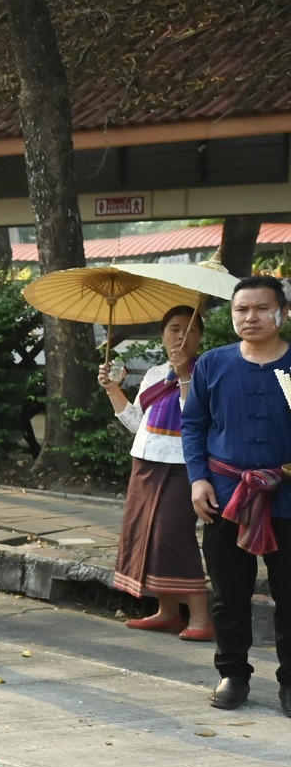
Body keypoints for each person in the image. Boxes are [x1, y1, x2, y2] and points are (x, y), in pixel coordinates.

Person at [182, 274, 291, 715]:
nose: (251, 317)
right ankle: (233, 673)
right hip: (226, 498)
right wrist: (198, 478)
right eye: (241, 309)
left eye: (262, 308)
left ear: (282, 313)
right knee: (229, 593)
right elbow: (194, 425)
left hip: (286, 499)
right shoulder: (212, 363)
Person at [101, 306, 210, 639]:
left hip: (182, 464)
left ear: (200, 337)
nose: (181, 336)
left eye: (190, 330)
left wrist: (184, 376)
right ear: (163, 334)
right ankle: (166, 611)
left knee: (172, 536)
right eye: (174, 329)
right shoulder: (153, 374)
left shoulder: (206, 371)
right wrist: (112, 389)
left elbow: (195, 417)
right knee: (146, 536)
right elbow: (136, 422)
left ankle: (202, 618)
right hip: (145, 461)